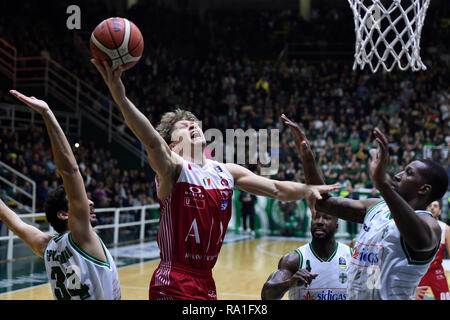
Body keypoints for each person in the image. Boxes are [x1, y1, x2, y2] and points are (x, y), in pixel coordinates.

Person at [91, 60, 340, 300]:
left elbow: (276, 188)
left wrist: (309, 189)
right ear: (173, 145)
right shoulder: (173, 168)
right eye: (183, 126)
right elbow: (151, 140)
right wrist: (120, 97)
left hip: (206, 281)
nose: (192, 126)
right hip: (174, 279)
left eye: (194, 123)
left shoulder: (225, 171)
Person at [281, 114, 447, 300]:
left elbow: (419, 240)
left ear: (424, 189)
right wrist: (308, 159)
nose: (399, 175)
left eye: (408, 173)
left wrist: (382, 185)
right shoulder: (377, 207)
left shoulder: (429, 224)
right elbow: (323, 203)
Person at [0, 90, 121, 300]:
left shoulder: (46, 246)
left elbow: (11, 220)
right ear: (64, 214)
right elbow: (70, 171)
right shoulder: (82, 236)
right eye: (81, 200)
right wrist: (47, 114)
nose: (89, 202)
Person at [261, 211, 352, 300]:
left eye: (326, 218)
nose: (319, 222)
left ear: (336, 226)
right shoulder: (294, 259)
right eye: (315, 218)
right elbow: (266, 295)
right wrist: (289, 283)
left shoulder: (351, 257)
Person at [416, 200, 450, 300]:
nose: (432, 208)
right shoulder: (418, 227)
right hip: (420, 271)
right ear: (425, 209)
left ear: (440, 211)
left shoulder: (446, 229)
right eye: (429, 205)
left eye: (435, 206)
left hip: (436, 270)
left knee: (445, 298)